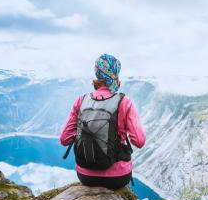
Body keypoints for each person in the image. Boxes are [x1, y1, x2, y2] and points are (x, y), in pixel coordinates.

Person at [60, 54, 146, 189]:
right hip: (117, 178)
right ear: (116, 73)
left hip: (85, 175)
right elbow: (139, 141)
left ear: (97, 73)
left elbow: (64, 139)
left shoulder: (81, 100)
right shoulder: (125, 102)